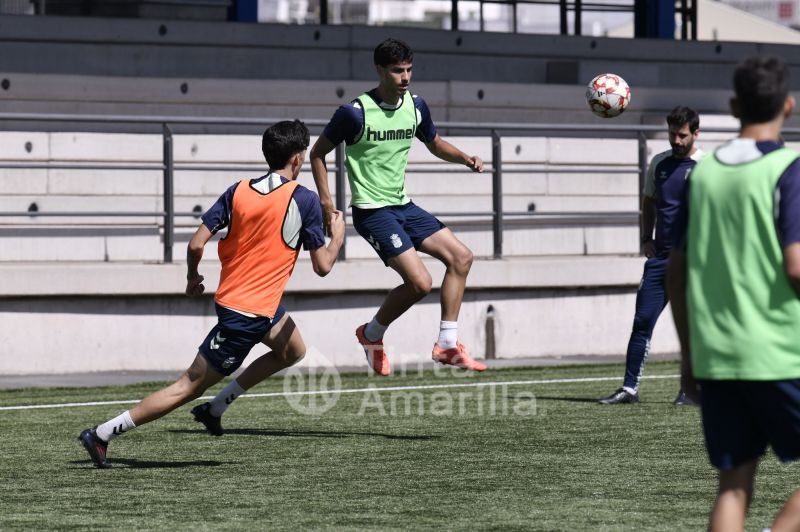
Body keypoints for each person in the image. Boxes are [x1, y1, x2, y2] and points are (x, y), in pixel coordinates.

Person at [78, 120, 345, 467]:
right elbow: (323, 265)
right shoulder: (304, 200)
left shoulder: (238, 190)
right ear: (298, 159)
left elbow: (195, 243)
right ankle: (102, 434)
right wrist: (338, 234)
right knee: (187, 385)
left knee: (292, 349)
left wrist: (193, 278)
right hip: (247, 315)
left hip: (249, 303)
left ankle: (215, 408)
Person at [668, 56, 800, 531]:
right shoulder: (790, 168)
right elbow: (797, 266)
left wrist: (689, 357)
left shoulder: (703, 175)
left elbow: (676, 275)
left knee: (733, 486)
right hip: (783, 352)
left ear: (732, 105)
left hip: (718, 355)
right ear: (788, 105)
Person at [309, 37, 487, 376]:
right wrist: (327, 202)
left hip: (402, 206)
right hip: (372, 211)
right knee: (420, 283)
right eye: (396, 71)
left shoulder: (416, 106)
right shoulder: (354, 112)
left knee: (462, 257)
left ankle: (445, 344)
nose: (404, 77)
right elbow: (318, 153)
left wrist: (465, 157)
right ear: (379, 70)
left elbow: (433, 143)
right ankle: (372, 333)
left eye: (408, 70)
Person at [599, 106, 703, 405]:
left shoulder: (708, 166)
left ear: (695, 134)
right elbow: (649, 201)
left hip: (694, 262)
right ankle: (629, 388)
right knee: (642, 321)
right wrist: (646, 237)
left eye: (682, 135)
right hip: (660, 260)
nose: (676, 140)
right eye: (672, 134)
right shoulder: (659, 162)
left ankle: (691, 390)